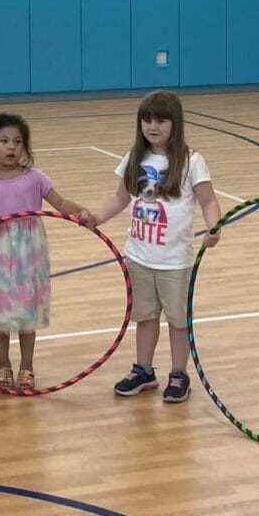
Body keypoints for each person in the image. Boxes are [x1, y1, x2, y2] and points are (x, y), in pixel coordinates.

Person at [91, 91, 221, 403]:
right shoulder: (134, 158)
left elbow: (209, 200)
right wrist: (95, 217)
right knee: (145, 317)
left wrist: (215, 226)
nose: (153, 126)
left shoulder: (191, 161)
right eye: (147, 119)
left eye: (161, 120)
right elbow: (120, 198)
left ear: (175, 124)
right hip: (138, 256)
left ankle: (179, 374)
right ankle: (144, 370)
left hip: (174, 261)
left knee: (178, 320)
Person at [0, 112, 92, 392]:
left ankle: (27, 367)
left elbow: (59, 203)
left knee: (25, 312)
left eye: (18, 142)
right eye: (4, 141)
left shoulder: (35, 178)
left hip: (27, 253)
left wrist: (81, 210)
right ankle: (3, 365)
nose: (11, 147)